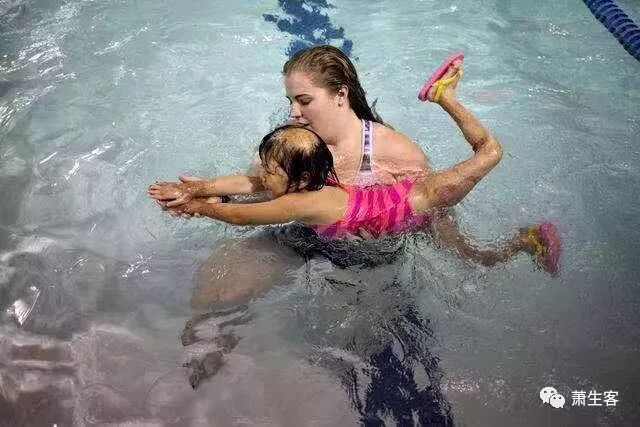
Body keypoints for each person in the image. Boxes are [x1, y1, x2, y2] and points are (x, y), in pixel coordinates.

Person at [149, 46, 560, 308]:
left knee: (473, 257)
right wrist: (198, 190)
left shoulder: (393, 151)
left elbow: (428, 209)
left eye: (303, 100)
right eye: (290, 101)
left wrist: (206, 205)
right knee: (217, 293)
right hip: (308, 232)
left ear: (340, 95)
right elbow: (259, 181)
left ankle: (521, 242)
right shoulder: (298, 140)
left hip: (372, 250)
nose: (293, 112)